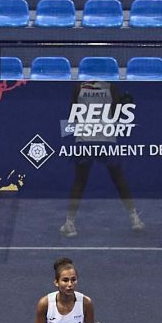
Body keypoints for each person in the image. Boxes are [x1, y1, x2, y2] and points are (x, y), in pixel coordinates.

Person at [60, 82, 146, 238]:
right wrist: (122, 104)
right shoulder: (111, 86)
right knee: (119, 179)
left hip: (85, 139)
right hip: (106, 139)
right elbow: (116, 115)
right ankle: (134, 218)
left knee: (79, 182)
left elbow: (73, 114)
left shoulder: (79, 86)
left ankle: (69, 223)